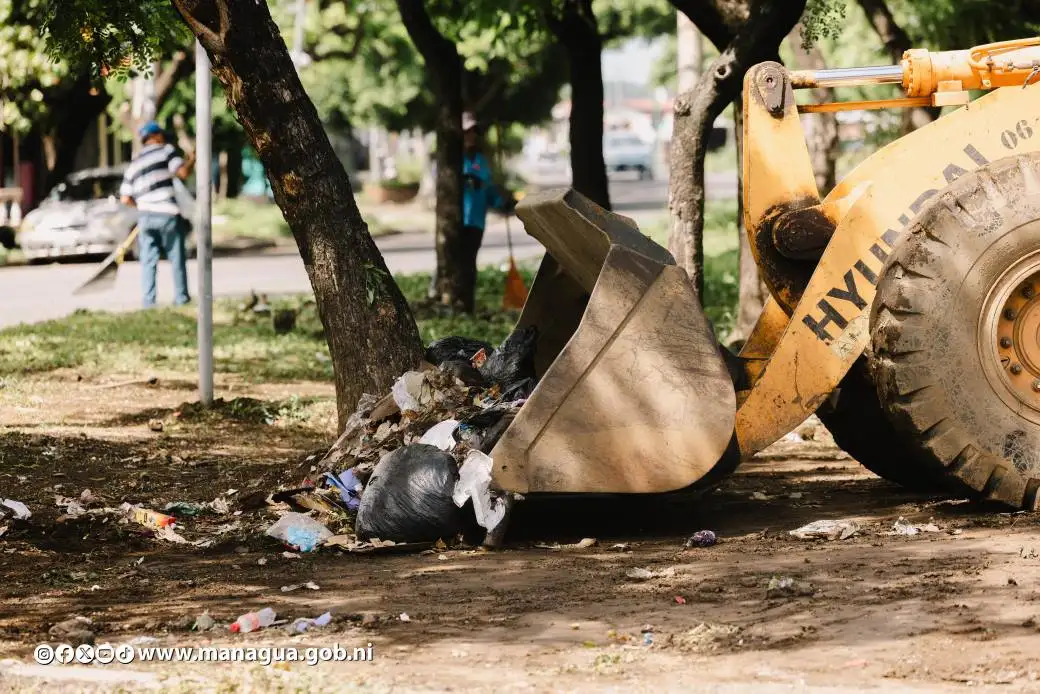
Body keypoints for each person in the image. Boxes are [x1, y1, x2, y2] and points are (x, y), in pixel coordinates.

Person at [120, 120, 196, 308]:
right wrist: (193, 158)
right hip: (168, 214)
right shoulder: (166, 151)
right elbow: (183, 172)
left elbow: (125, 198)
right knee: (176, 258)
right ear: (156, 136)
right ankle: (181, 299)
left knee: (148, 262)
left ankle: (149, 303)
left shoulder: (135, 162)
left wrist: (143, 206)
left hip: (145, 217)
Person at [459, 112, 507, 309]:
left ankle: (467, 304)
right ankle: (453, 300)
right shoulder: (453, 161)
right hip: (459, 221)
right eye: (467, 132)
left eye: (473, 132)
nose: (471, 136)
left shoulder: (481, 160)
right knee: (457, 264)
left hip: (476, 220)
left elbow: (488, 189)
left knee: (470, 264)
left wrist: (501, 202)